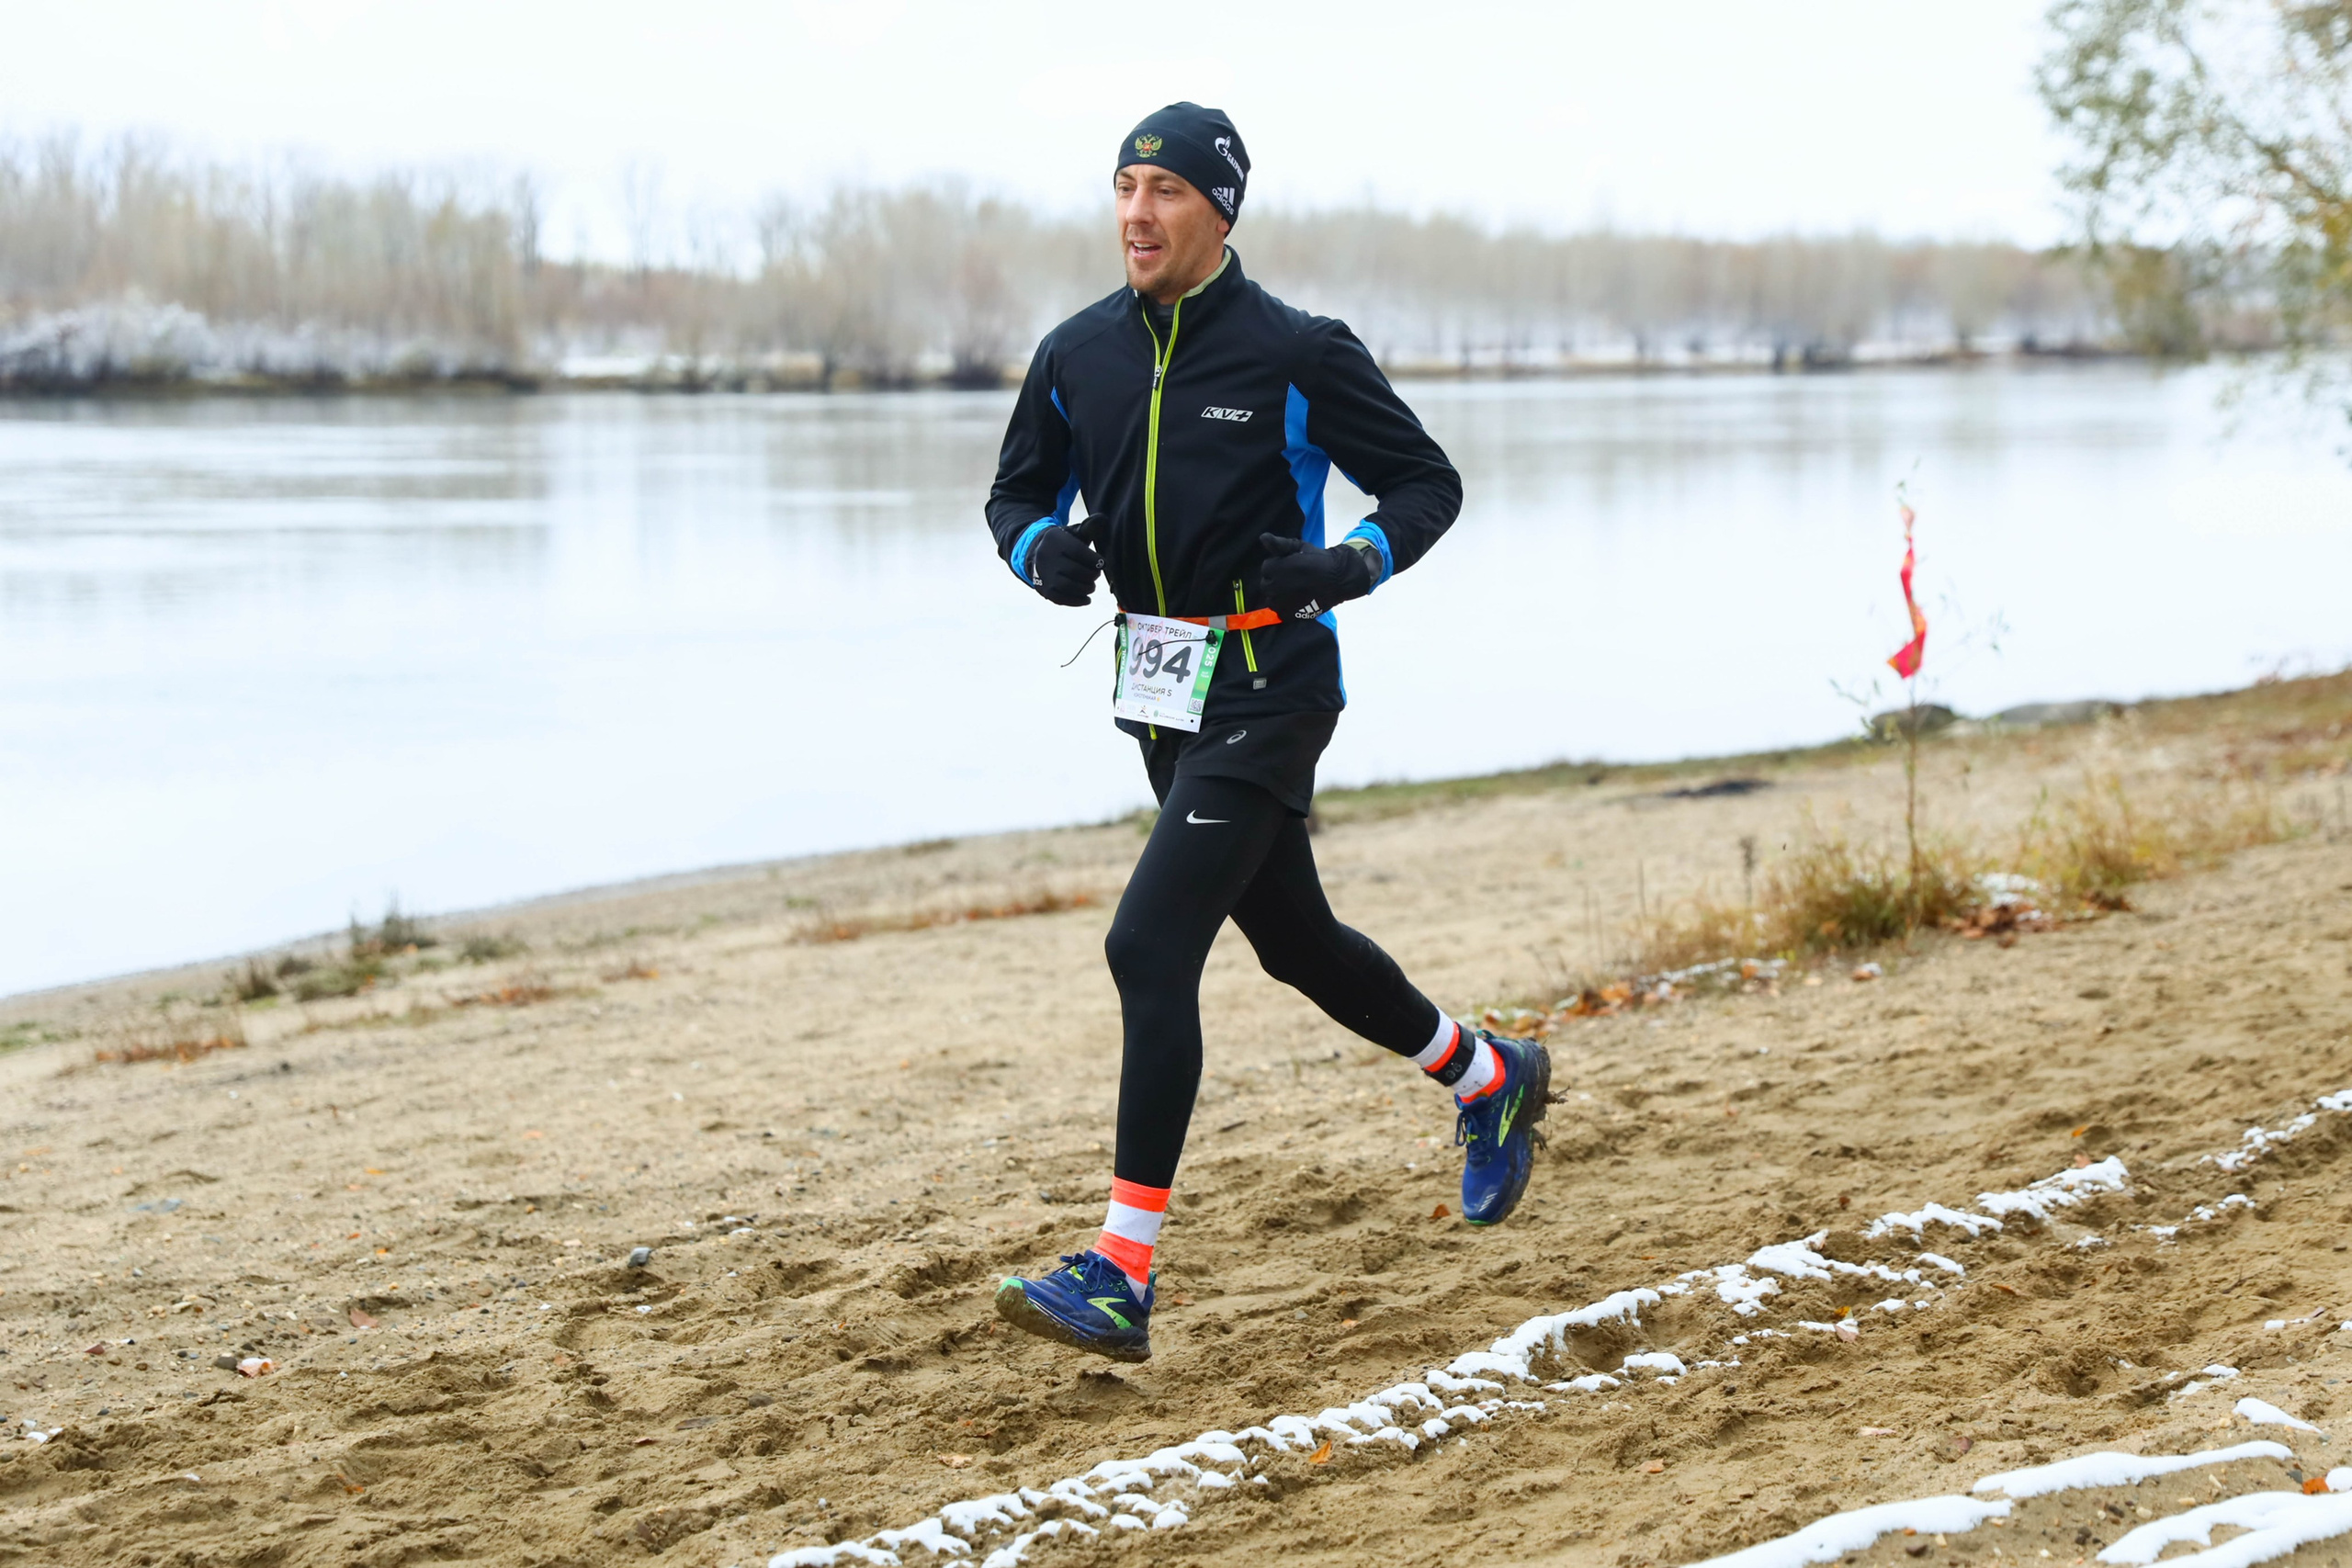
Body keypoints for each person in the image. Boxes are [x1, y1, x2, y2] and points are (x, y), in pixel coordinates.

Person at [983, 103, 1550, 1363]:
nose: (1138, 211)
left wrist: (1349, 565)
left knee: (1147, 945)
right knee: (1294, 942)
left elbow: (1427, 484)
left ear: (1220, 211)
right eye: (1126, 186)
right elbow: (1014, 493)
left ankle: (1122, 1271)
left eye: (1167, 191)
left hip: (1274, 681)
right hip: (1160, 687)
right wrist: (1044, 552)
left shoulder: (1297, 351)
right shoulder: (1077, 352)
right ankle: (1486, 1077)